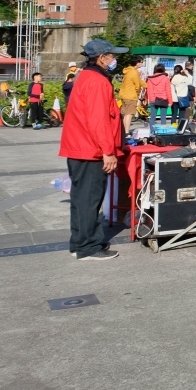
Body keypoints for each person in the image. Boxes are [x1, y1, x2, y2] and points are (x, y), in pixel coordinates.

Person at [59, 39, 129, 260]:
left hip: (79, 147)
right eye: (111, 55)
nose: (113, 59)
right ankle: (89, 246)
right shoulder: (98, 81)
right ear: (101, 58)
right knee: (90, 200)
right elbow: (99, 120)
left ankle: (79, 243)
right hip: (90, 149)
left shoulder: (85, 77)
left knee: (81, 200)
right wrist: (108, 151)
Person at [119, 57, 146, 132]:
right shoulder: (134, 72)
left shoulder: (129, 70)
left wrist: (147, 85)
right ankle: (127, 132)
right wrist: (137, 93)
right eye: (141, 62)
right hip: (131, 96)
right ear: (137, 63)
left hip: (124, 95)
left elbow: (139, 81)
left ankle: (124, 131)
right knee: (129, 114)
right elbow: (137, 85)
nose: (142, 63)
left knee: (126, 114)